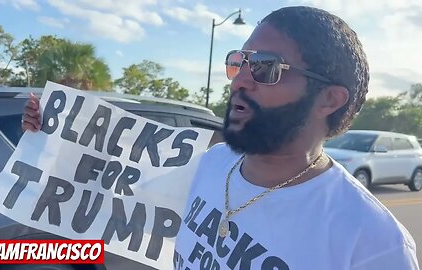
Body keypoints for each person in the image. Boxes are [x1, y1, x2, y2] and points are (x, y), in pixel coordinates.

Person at [22, 6, 419, 270]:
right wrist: (51, 134)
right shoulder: (212, 163)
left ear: (329, 99)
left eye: (266, 68)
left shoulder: (373, 242)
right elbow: (108, 184)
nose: (240, 81)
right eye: (239, 62)